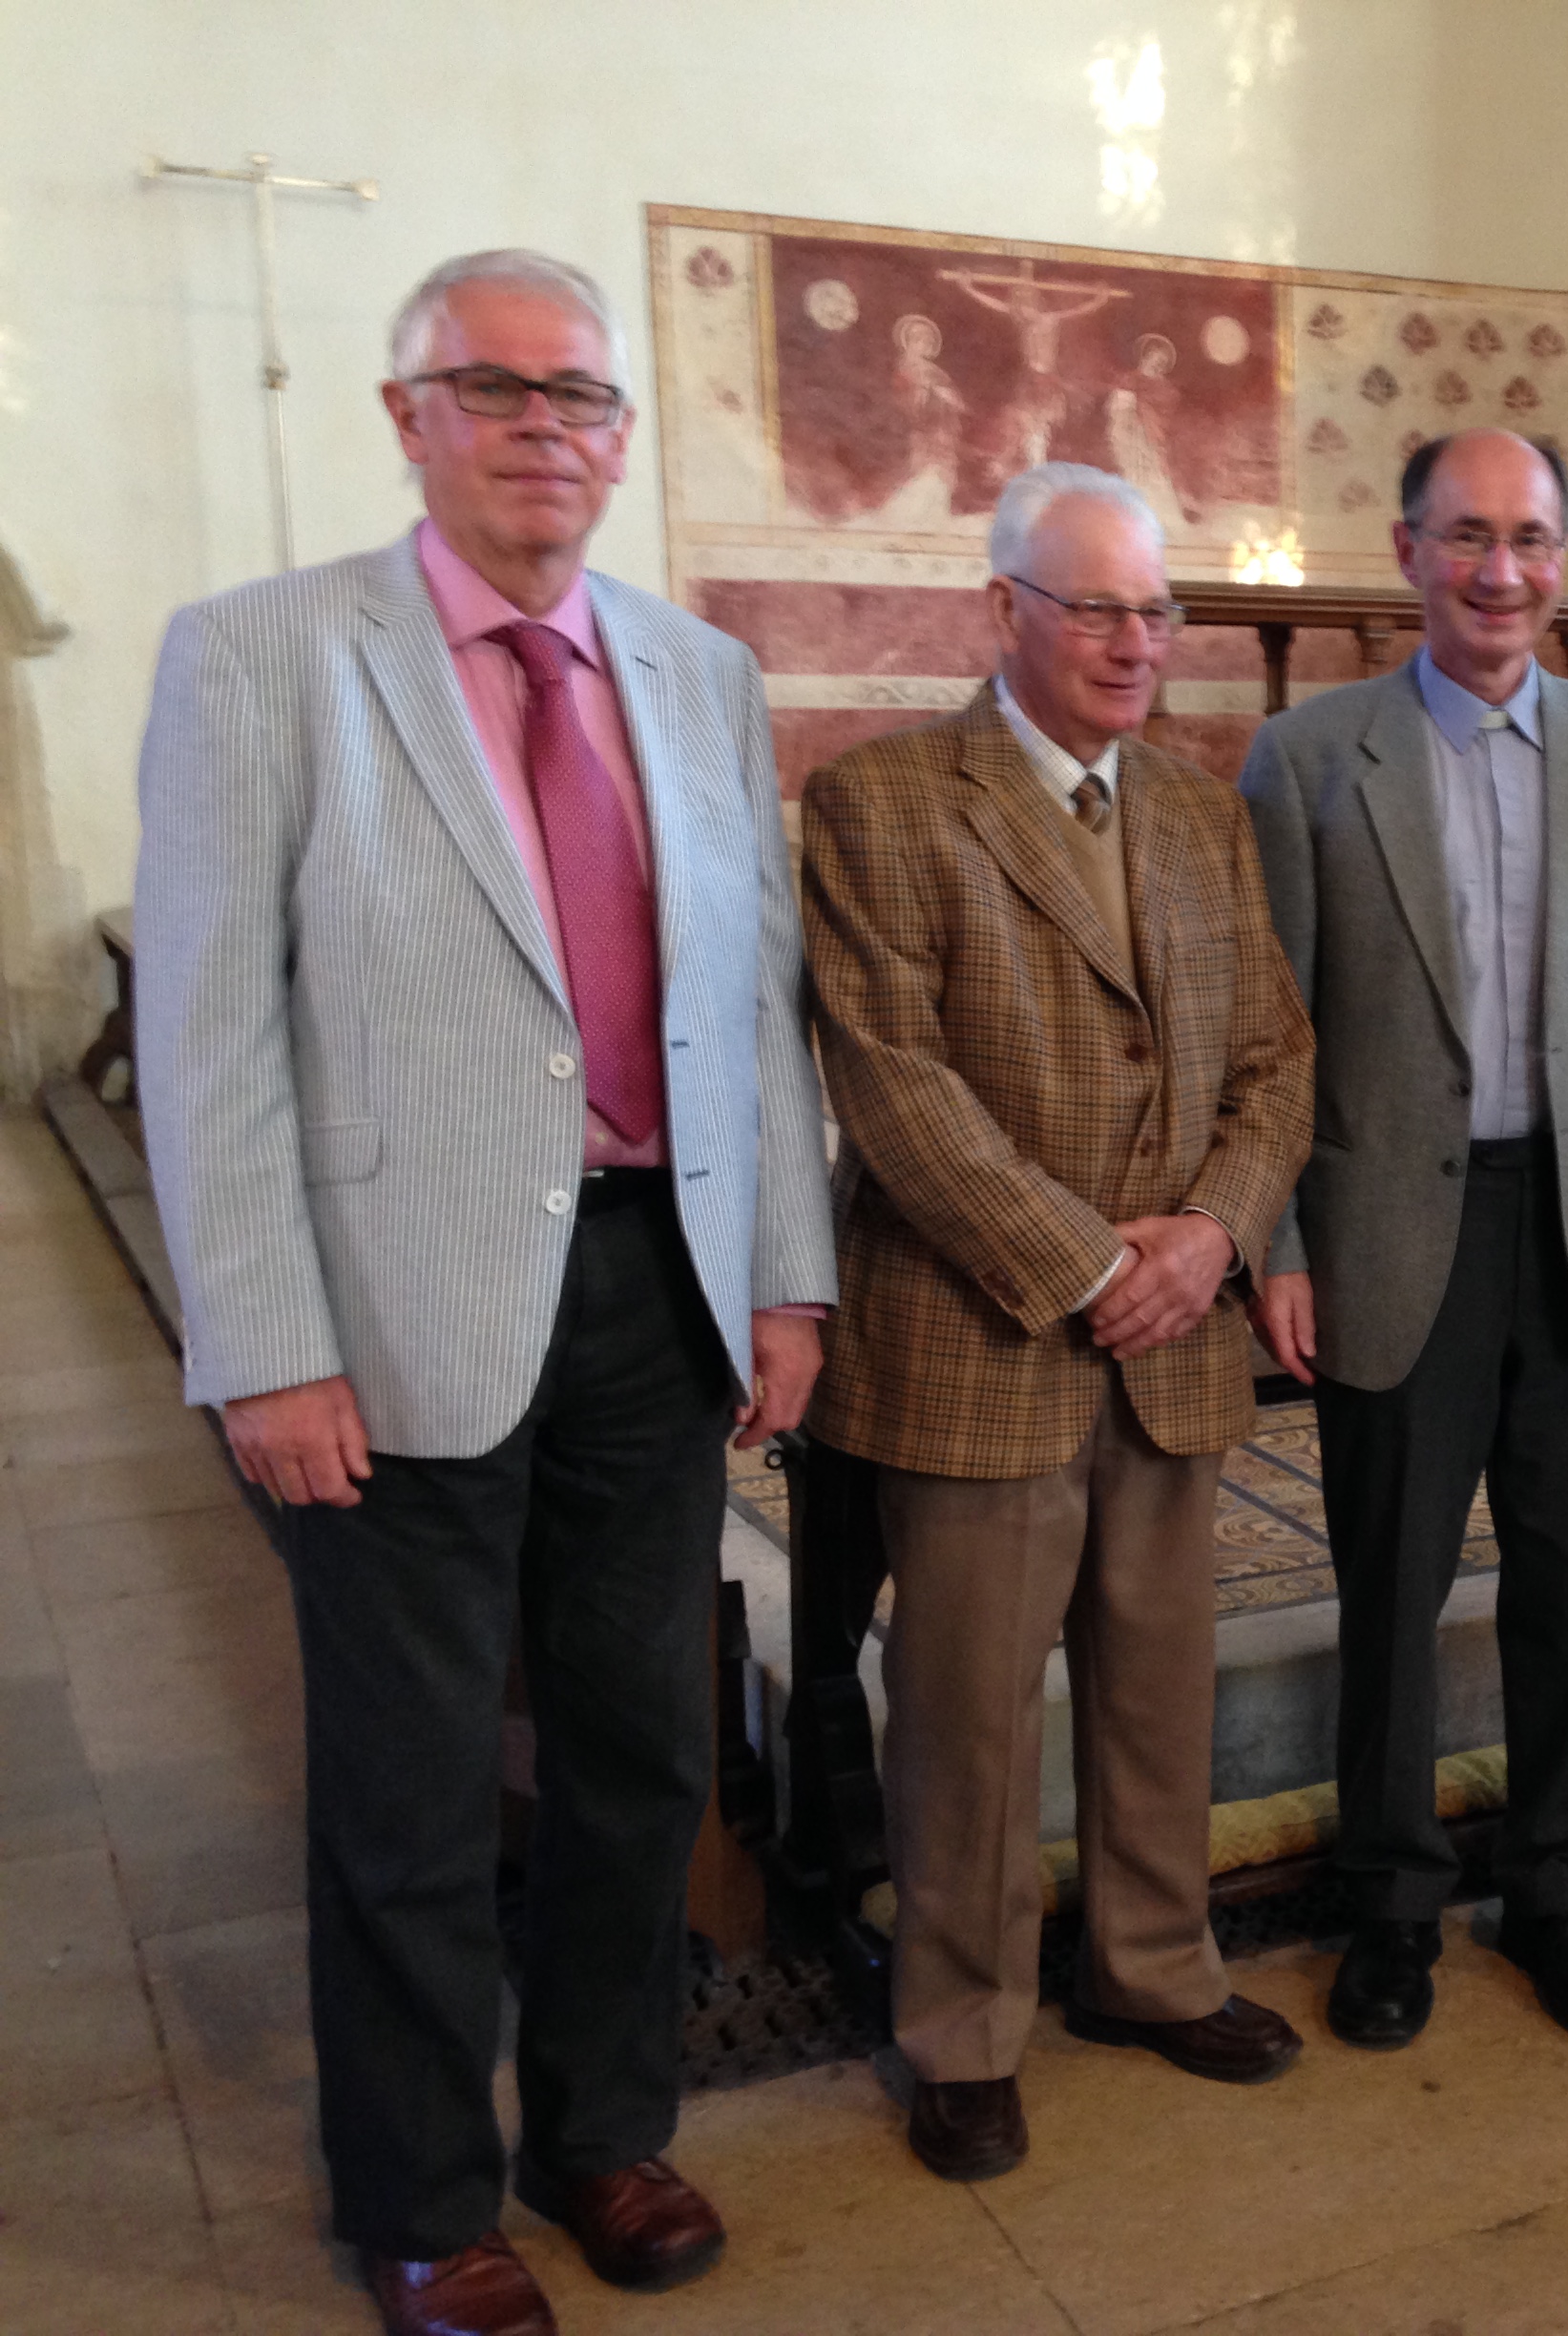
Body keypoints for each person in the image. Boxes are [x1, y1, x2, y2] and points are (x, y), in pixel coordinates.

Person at [135, 248, 837, 2336]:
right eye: (498, 388)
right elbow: (208, 1030)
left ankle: (606, 2132)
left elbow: (753, 1000)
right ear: (409, 416)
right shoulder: (266, 656)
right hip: (390, 1308)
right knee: (415, 1789)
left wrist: (783, 1279)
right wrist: (265, 1342)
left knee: (639, 1756)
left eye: (581, 395)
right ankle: (427, 2200)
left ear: (621, 435)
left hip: (654, 1293)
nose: (547, 427)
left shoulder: (696, 673)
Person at [798, 465, 1316, 2181]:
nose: (1134, 641)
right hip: (983, 1338)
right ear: (1002, 608)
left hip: (1173, 1342)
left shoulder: (1199, 814)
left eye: (1155, 611)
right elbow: (894, 1084)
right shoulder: (883, 803)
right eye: (1095, 607)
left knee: (1158, 1687)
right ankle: (961, 2029)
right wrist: (1097, 1266)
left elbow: (1278, 1060)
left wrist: (1214, 1233)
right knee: (965, 1716)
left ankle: (1154, 1969)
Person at [1239, 428, 1568, 2048]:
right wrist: (1278, 1242)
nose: (1500, 572)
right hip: (1387, 1229)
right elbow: (1270, 1033)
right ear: (1407, 550)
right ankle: (1389, 1909)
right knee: (1393, 1586)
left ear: (1563, 558)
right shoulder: (1309, 758)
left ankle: (1563, 1896)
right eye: (1466, 537)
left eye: (1529, 539)